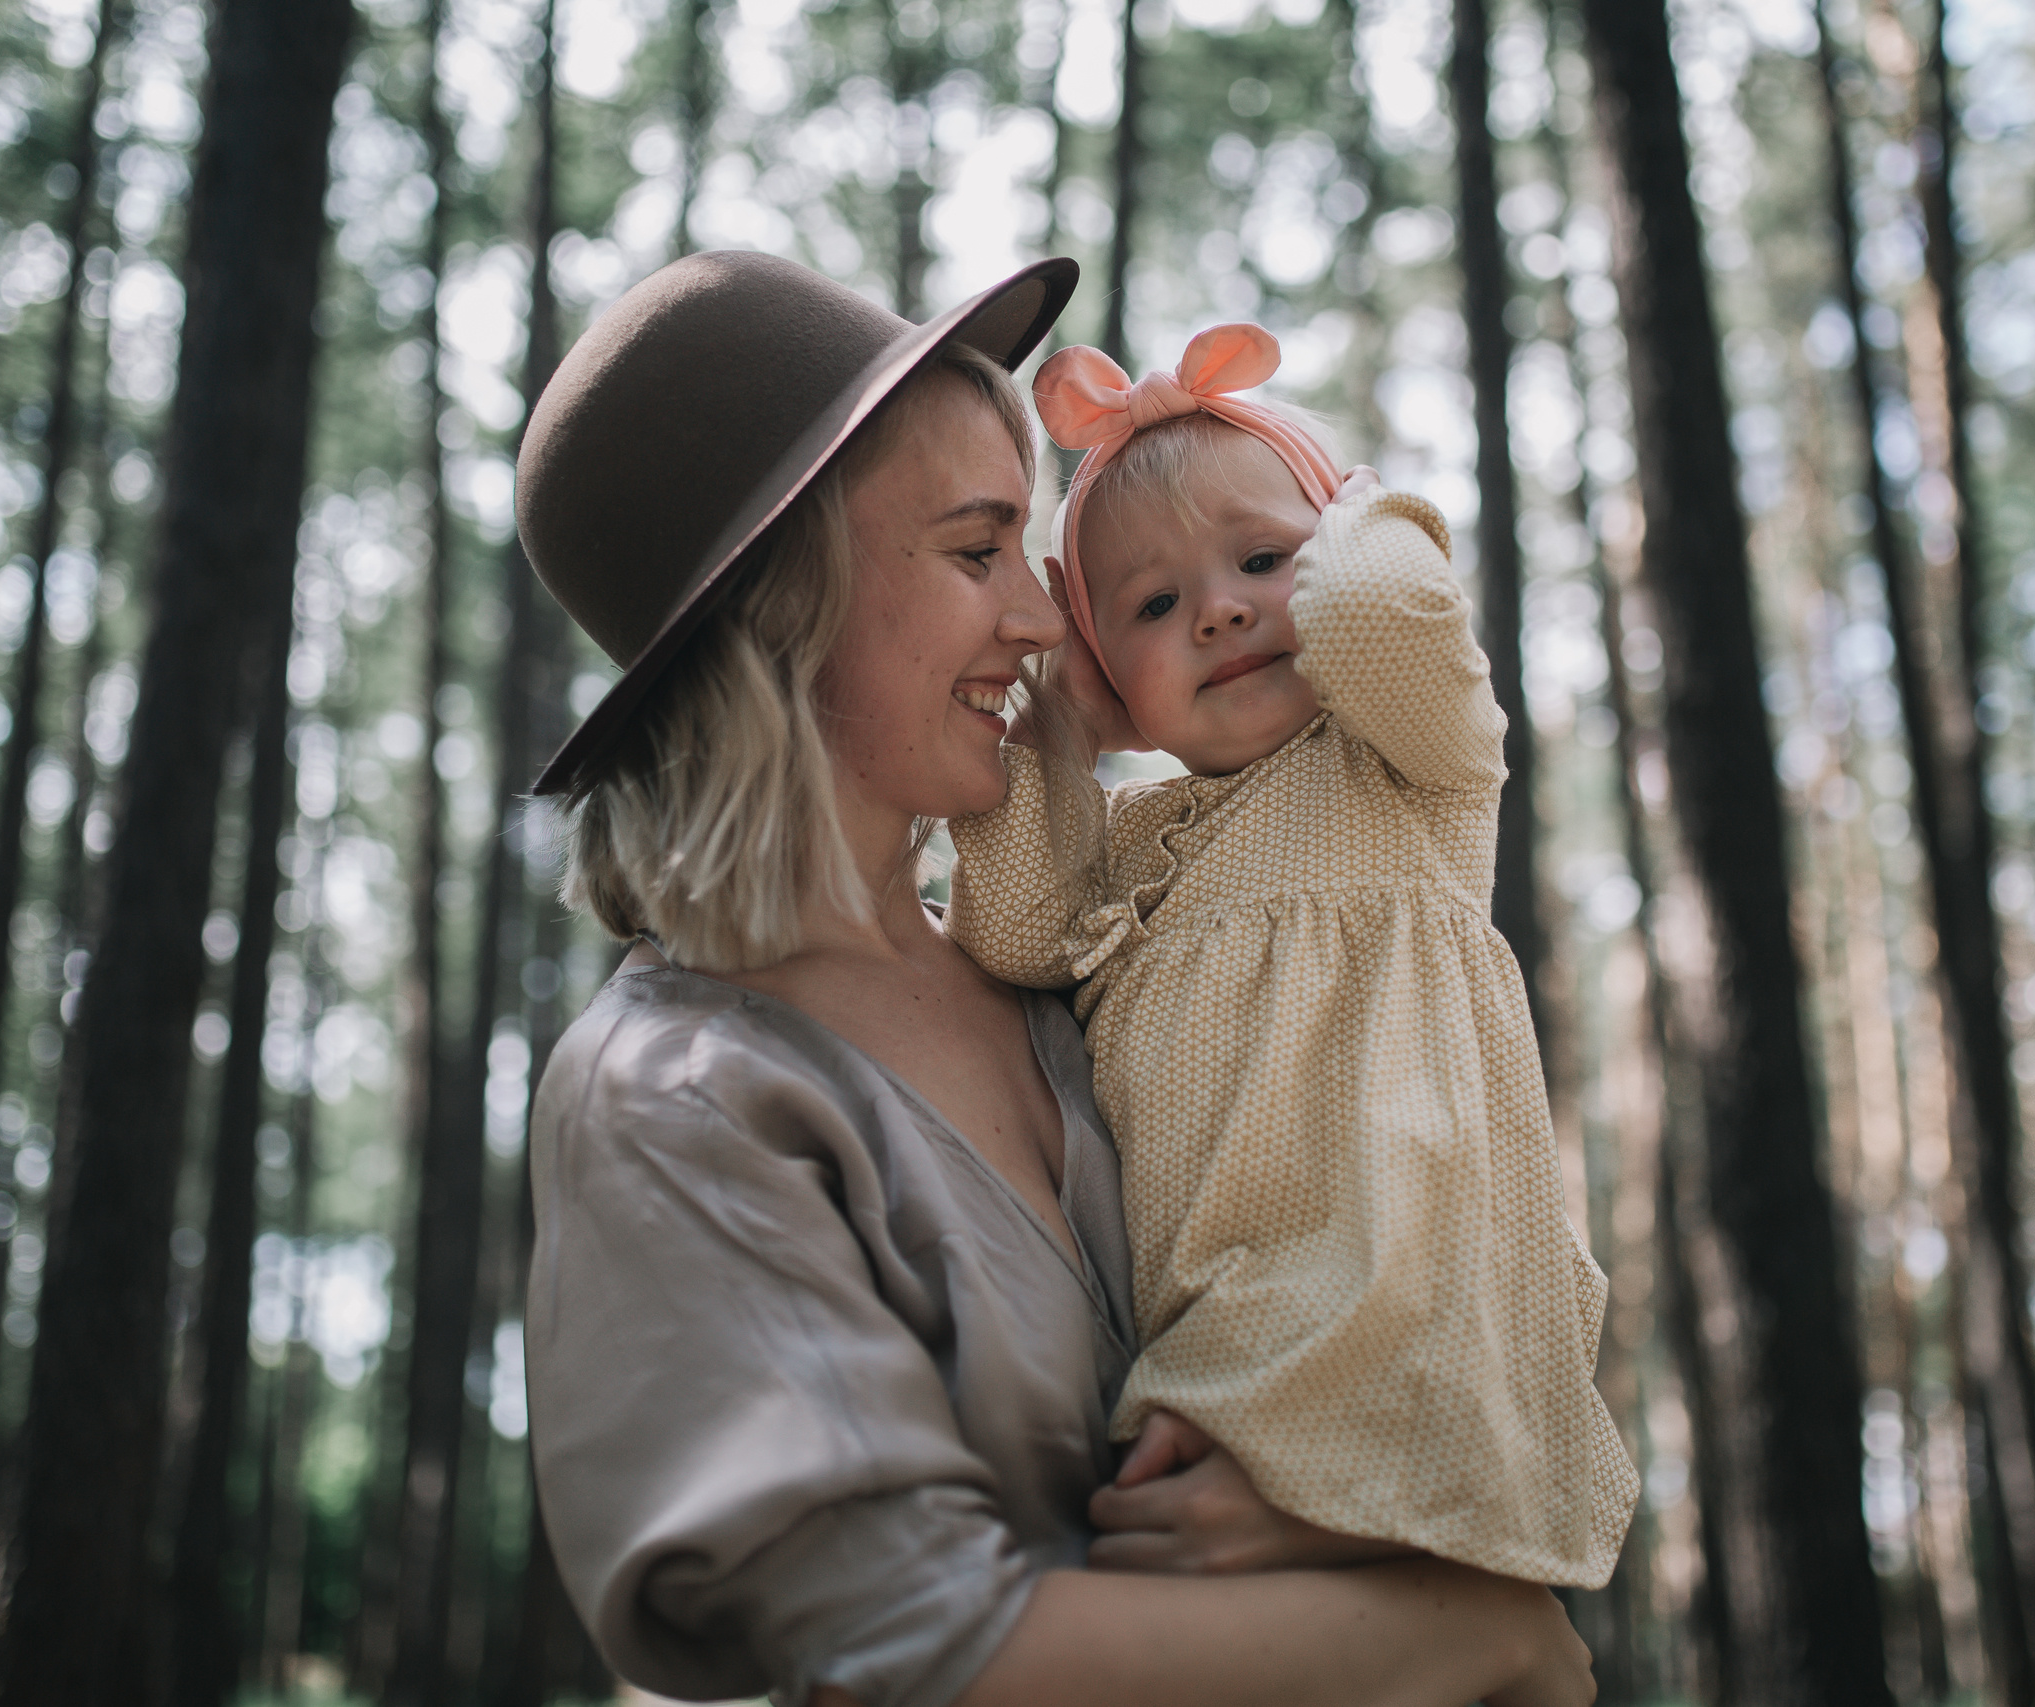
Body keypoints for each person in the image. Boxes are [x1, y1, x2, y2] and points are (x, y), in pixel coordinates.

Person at [515, 250, 1597, 1707]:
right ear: (780, 607)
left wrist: (1351, 1490)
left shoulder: (1088, 974)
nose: (1044, 622)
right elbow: (914, 1648)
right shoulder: (681, 1096)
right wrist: (1476, 1633)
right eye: (981, 553)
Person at [946, 324, 1639, 1587]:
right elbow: (1012, 931)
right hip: (1218, 1343)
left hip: (1410, 1323)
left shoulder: (1411, 765)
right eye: (1153, 607)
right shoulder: (1132, 843)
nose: (1218, 610)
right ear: (1109, 667)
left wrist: (1363, 514)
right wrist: (1061, 732)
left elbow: (1380, 616)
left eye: (1265, 560)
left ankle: (1364, 1505)